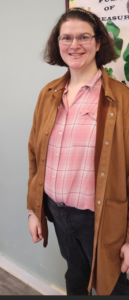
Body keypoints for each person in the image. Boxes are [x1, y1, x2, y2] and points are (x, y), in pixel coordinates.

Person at [27, 7, 129, 295]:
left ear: (98, 43)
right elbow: (35, 157)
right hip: (57, 213)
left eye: (83, 37)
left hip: (101, 218)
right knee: (75, 278)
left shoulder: (122, 100)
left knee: (115, 288)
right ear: (57, 44)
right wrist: (34, 210)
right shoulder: (48, 94)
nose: (74, 45)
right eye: (66, 38)